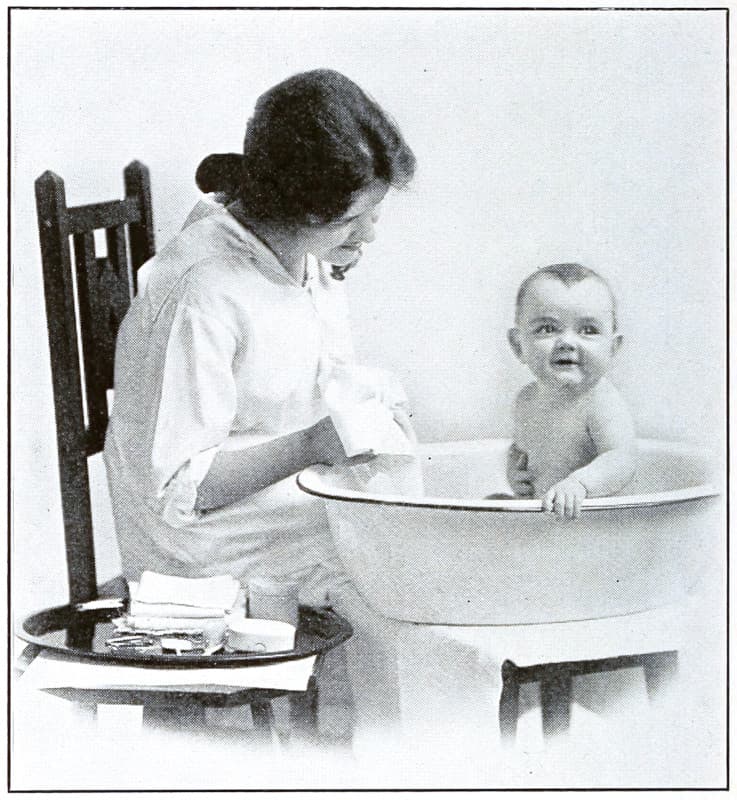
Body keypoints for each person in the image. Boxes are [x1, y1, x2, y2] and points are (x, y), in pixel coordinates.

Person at [104, 68, 416, 605]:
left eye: (374, 212)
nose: (369, 234)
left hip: (267, 501)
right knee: (406, 565)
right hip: (204, 547)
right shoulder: (204, 292)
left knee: (413, 529)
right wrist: (315, 443)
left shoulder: (296, 247)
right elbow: (180, 489)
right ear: (293, 207)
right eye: (353, 218)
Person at [498, 262, 636, 520]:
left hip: (591, 521)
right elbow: (521, 451)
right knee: (492, 503)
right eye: (547, 328)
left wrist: (580, 484)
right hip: (544, 517)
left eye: (588, 330)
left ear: (613, 347)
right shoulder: (525, 400)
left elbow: (621, 459)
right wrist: (516, 474)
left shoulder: (601, 401)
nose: (567, 342)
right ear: (518, 345)